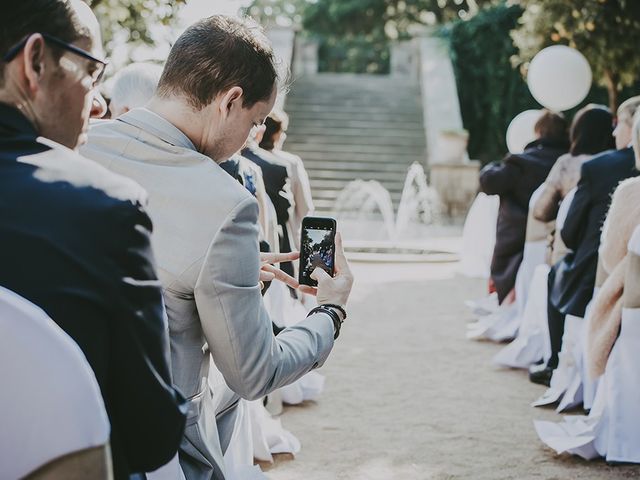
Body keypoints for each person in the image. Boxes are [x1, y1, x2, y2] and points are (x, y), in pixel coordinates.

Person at [82, 15, 354, 480]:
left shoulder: (76, 146)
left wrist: (227, 268)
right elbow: (254, 374)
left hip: (64, 419)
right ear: (230, 101)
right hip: (155, 448)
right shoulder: (226, 205)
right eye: (256, 120)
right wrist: (330, 312)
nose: (253, 136)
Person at [0, 1, 187, 478]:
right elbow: (152, 436)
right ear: (35, 62)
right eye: (92, 72)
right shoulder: (107, 210)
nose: (99, 103)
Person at [530, 95, 640, 385]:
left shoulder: (600, 169)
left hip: (604, 275)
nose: (616, 131)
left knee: (556, 273)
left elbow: (569, 231)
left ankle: (556, 361)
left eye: (622, 124)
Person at [479, 110, 569, 304]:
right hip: (557, 237)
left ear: (538, 132)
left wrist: (495, 164)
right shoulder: (568, 162)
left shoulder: (521, 162)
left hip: (515, 238)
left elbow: (488, 183)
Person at [533, 104, 615, 264]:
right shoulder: (616, 164)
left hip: (570, 249)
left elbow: (541, 211)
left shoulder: (567, 164)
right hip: (605, 250)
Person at [260, 109, 315, 249]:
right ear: (277, 134)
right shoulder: (291, 162)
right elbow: (305, 208)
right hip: (286, 237)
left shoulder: (250, 161)